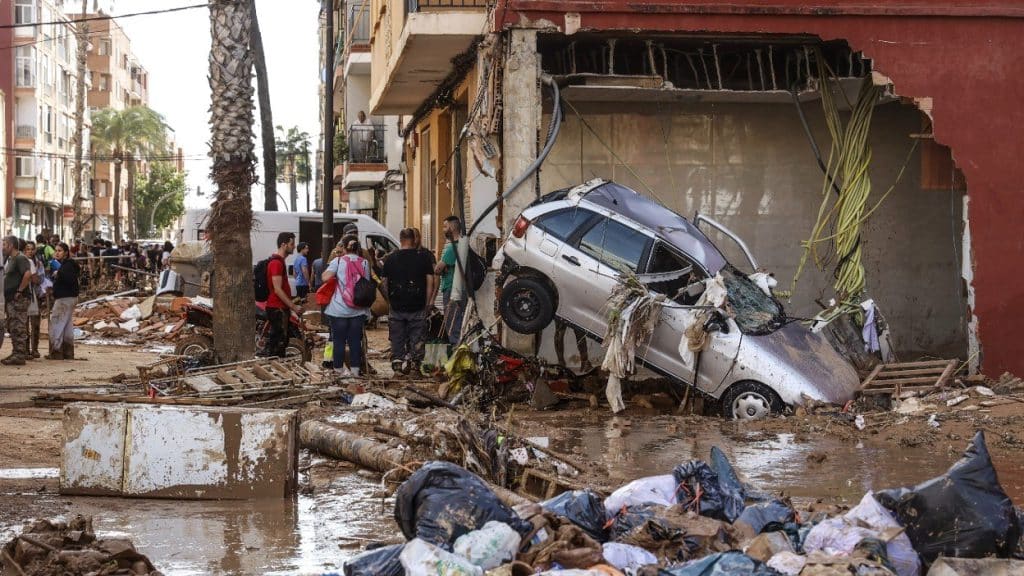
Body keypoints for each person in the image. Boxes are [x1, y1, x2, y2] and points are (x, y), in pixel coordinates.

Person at [381, 228, 435, 375]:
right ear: (414, 239)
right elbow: (431, 282)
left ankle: (398, 366)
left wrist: (389, 301)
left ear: (400, 239)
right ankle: (415, 367)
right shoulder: (423, 258)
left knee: (397, 338)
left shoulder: (390, 259)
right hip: (418, 305)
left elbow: (384, 283)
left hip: (397, 306)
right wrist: (428, 303)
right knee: (417, 337)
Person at [321, 237, 370, 377]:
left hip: (338, 309)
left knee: (338, 341)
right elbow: (366, 283)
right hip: (358, 309)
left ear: (344, 247)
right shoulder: (365, 263)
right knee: (355, 341)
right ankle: (355, 371)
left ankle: (338, 370)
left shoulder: (337, 261)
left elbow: (325, 278)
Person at [265, 232, 301, 358]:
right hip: (276, 308)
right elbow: (277, 289)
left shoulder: (280, 262)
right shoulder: (276, 263)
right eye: (292, 244)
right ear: (283, 245)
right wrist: (293, 306)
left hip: (280, 307)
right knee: (278, 343)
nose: (294, 246)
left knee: (282, 341)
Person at [435, 215, 468, 345]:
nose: (443, 230)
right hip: (462, 290)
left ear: (452, 227)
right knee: (459, 321)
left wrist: (442, 268)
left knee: (452, 322)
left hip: (451, 289)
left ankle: (456, 350)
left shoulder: (453, 248)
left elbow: (437, 269)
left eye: (445, 226)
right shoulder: (463, 245)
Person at [2, 236, 33, 365]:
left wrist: (19, 291)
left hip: (18, 299)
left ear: (10, 245)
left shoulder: (20, 258)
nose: (2, 247)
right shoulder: (11, 259)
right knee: (13, 326)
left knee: (18, 326)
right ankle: (16, 353)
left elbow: (28, 274)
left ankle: (20, 355)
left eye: (4, 244)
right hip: (11, 299)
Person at [47, 242, 79, 360]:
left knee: (56, 323)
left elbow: (69, 279)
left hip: (64, 298)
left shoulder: (67, 265)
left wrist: (59, 272)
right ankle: (68, 352)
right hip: (69, 298)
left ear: (66, 253)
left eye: (60, 250)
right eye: (56, 250)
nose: (57, 252)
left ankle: (56, 351)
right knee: (66, 325)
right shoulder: (66, 265)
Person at [23, 241, 45, 359]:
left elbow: (39, 280)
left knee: (35, 324)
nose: (30, 251)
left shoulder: (38, 264)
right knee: (24, 324)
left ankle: (35, 349)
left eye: (32, 249)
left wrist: (32, 275)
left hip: (36, 296)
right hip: (24, 296)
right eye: (27, 249)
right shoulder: (21, 263)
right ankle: (26, 349)